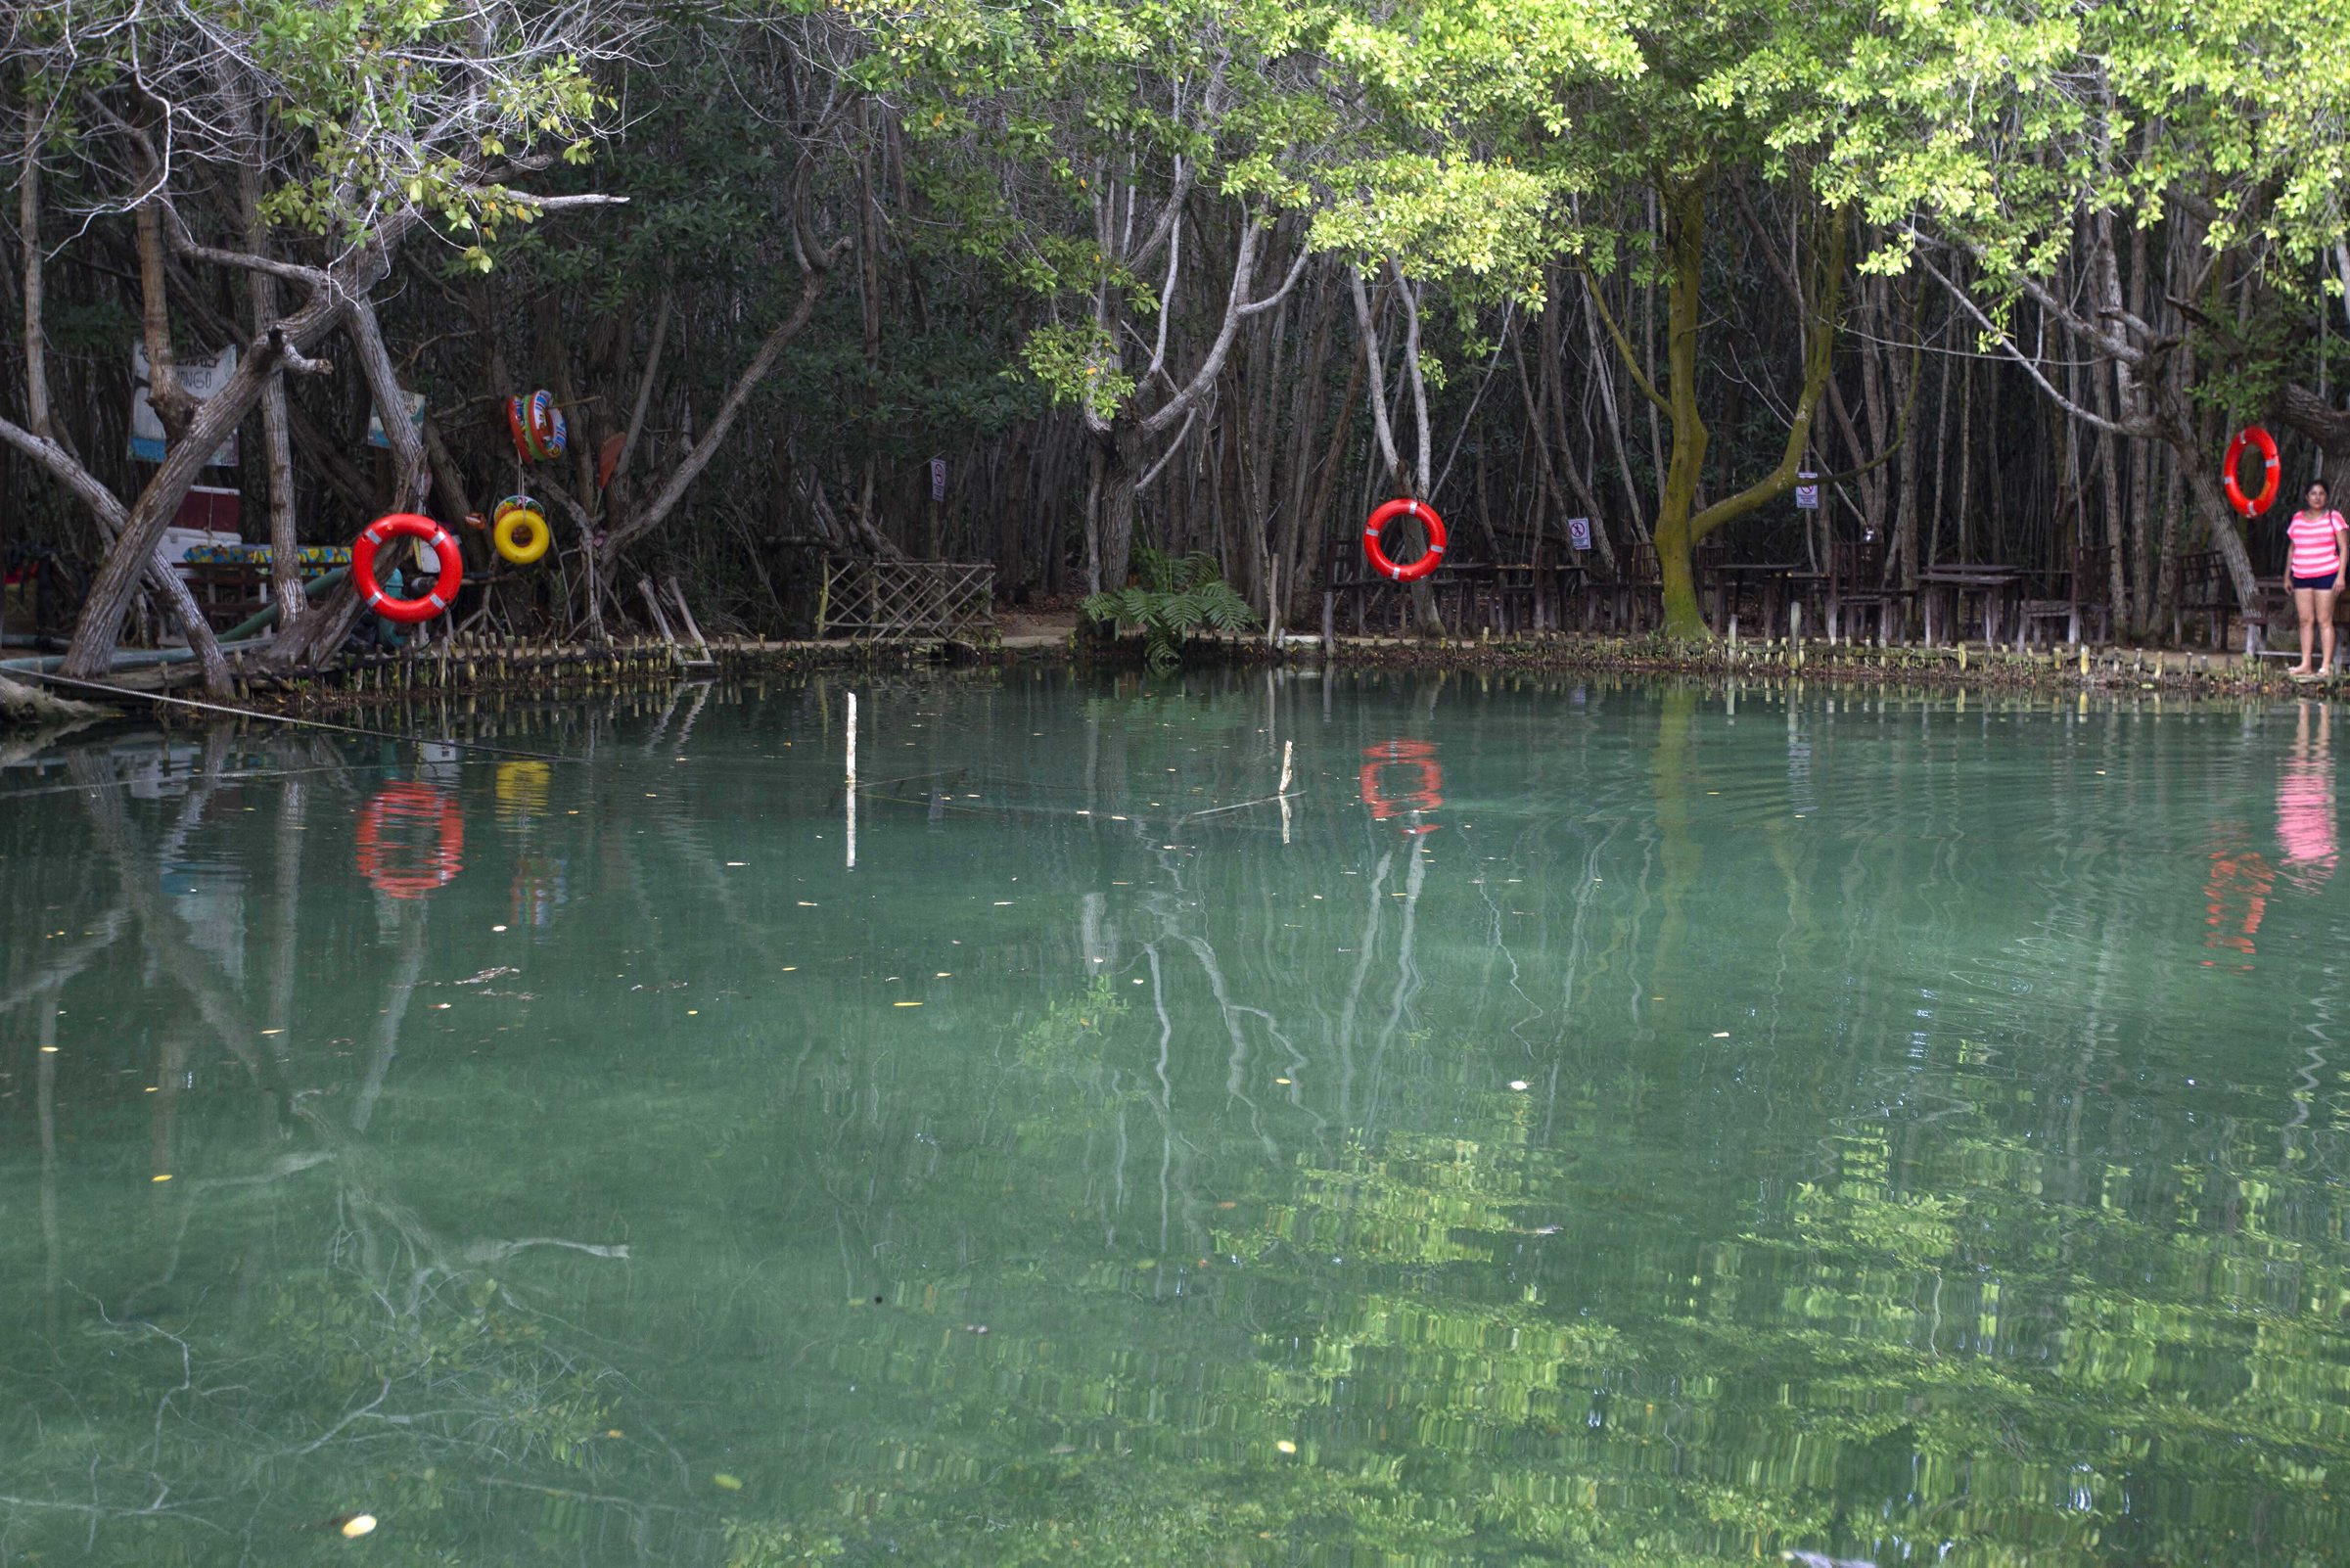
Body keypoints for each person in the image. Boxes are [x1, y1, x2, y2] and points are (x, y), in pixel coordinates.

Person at [2284, 480, 2348, 676]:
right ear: (2307, 497)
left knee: (2324, 619)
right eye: (2313, 493)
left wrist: (2340, 576)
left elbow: (2344, 547)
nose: (2317, 497)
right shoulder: (2297, 518)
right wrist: (2287, 575)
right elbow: (2292, 547)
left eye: (2321, 493)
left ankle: (2325, 666)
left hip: (2327, 574)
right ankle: (2305, 663)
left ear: (2326, 497)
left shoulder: (2333, 517)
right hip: (2302, 575)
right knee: (2305, 620)